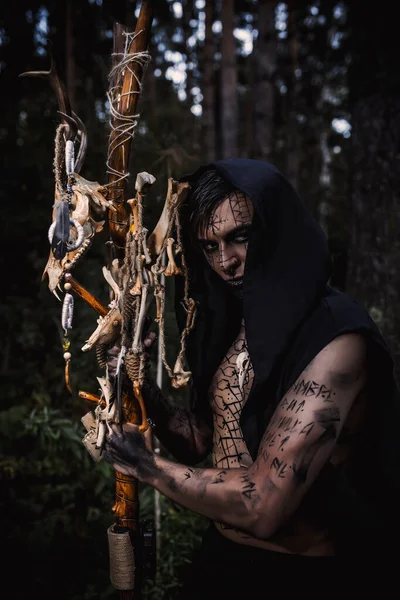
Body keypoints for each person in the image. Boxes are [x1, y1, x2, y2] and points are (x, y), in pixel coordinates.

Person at [103, 159, 400, 596]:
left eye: (239, 237)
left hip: (305, 574)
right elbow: (201, 440)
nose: (225, 262)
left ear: (274, 230)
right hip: (221, 560)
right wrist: (139, 382)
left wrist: (145, 465)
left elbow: (264, 505)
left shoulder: (338, 338)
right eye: (209, 246)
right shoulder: (228, 321)